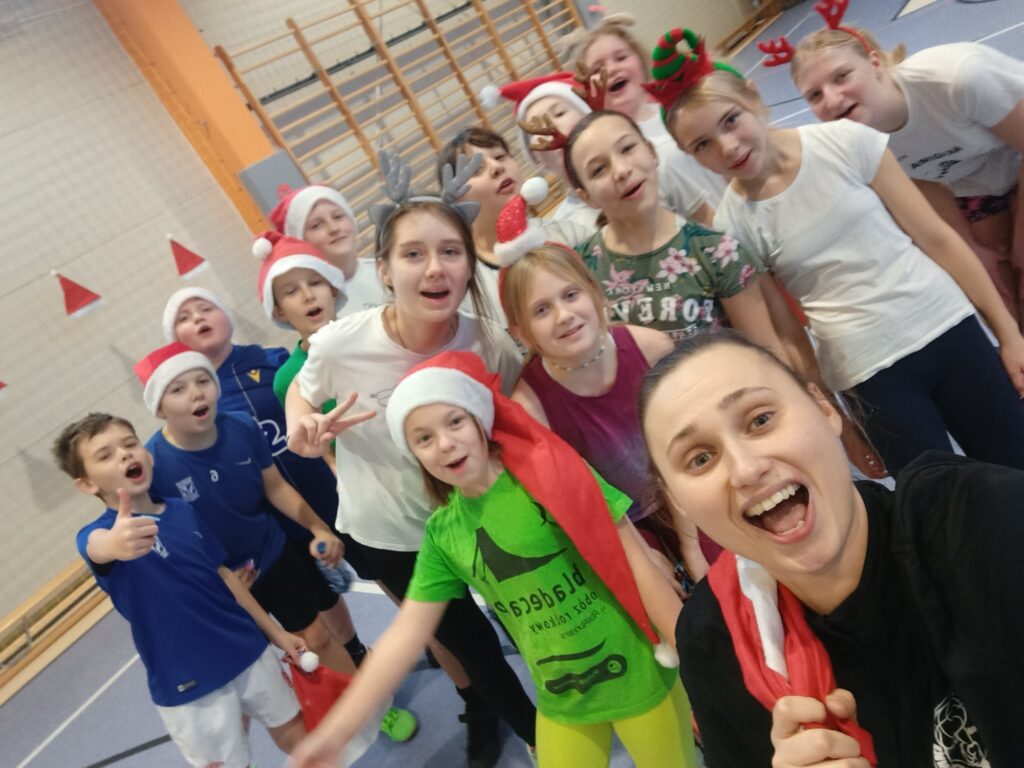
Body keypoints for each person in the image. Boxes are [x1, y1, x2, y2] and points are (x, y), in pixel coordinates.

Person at [289, 350, 696, 768]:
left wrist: (696, 659)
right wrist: (338, 730)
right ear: (413, 454)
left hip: (641, 679)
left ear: (479, 420)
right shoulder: (444, 533)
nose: (445, 443)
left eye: (455, 422)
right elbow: (408, 632)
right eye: (423, 438)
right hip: (563, 700)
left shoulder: (552, 473)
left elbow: (636, 562)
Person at [639, 329, 1024, 767]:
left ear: (825, 410)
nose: (745, 469)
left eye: (760, 420)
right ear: (678, 502)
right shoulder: (715, 642)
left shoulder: (977, 520)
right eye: (700, 459)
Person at [660, 27, 1024, 473]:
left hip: (948, 328)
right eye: (702, 145)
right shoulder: (734, 226)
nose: (727, 146)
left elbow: (938, 238)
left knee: (1015, 465)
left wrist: (1008, 334)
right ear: (690, 155)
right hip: (868, 374)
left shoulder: (845, 141)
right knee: (938, 502)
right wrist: (841, 423)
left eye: (731, 120)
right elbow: (790, 337)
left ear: (753, 97)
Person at [284, 158, 536, 765]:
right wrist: (302, 425)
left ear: (469, 265)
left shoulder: (485, 340)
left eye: (450, 251)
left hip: (477, 520)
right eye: (413, 254)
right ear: (384, 269)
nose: (434, 268)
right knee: (471, 648)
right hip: (391, 531)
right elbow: (302, 392)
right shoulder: (342, 343)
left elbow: (519, 415)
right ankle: (523, 731)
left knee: (528, 625)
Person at [135, 342, 418, 743]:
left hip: (270, 554)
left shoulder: (240, 426)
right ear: (159, 408)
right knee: (252, 676)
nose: (196, 393)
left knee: (317, 638)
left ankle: (373, 712)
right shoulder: (154, 465)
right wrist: (213, 578)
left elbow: (275, 486)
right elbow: (167, 534)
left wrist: (319, 528)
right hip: (223, 585)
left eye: (202, 381)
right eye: (178, 389)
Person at [55, 412, 308, 767]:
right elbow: (96, 546)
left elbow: (224, 575)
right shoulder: (100, 536)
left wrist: (276, 633)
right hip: (188, 680)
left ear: (147, 454)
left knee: (297, 734)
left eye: (129, 444)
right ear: (87, 484)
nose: (125, 454)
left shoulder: (180, 510)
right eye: (105, 455)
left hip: (247, 648)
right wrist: (114, 543)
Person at [492, 190, 715, 577]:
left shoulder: (651, 348)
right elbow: (580, 506)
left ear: (595, 294)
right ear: (521, 332)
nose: (564, 315)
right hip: (625, 530)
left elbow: (704, 439)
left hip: (691, 491)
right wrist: (645, 558)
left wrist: (694, 542)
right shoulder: (532, 409)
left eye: (570, 295)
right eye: (541, 310)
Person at [163, 286, 378, 674]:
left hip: (322, 494)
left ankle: (427, 636)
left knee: (380, 569)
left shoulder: (272, 361)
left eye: (205, 308)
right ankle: (355, 653)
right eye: (184, 317)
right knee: (321, 597)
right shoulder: (194, 404)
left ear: (226, 315)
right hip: (274, 523)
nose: (198, 318)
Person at [784, 6, 1024, 323]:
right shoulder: (860, 142)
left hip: (1016, 152)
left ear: (874, 63)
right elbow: (924, 187)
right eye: (815, 95)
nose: (832, 99)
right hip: (978, 183)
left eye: (841, 77)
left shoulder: (957, 79)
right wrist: (973, 252)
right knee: (997, 289)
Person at [563, 110, 793, 361]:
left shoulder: (718, 252)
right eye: (599, 169)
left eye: (627, 148)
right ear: (586, 196)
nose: (621, 170)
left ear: (651, 152)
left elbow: (767, 357)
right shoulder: (577, 270)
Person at [572, 13, 724, 223]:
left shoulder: (679, 110)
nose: (612, 69)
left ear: (640, 62)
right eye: (598, 69)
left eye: (621, 57)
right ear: (587, 87)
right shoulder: (605, 152)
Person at [484, 71, 600, 231]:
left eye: (559, 113)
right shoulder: (562, 229)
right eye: (538, 126)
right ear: (537, 158)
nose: (552, 127)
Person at [264, 183, 387, 315]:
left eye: (338, 217)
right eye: (316, 225)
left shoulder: (386, 269)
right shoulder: (312, 305)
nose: (334, 228)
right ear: (300, 241)